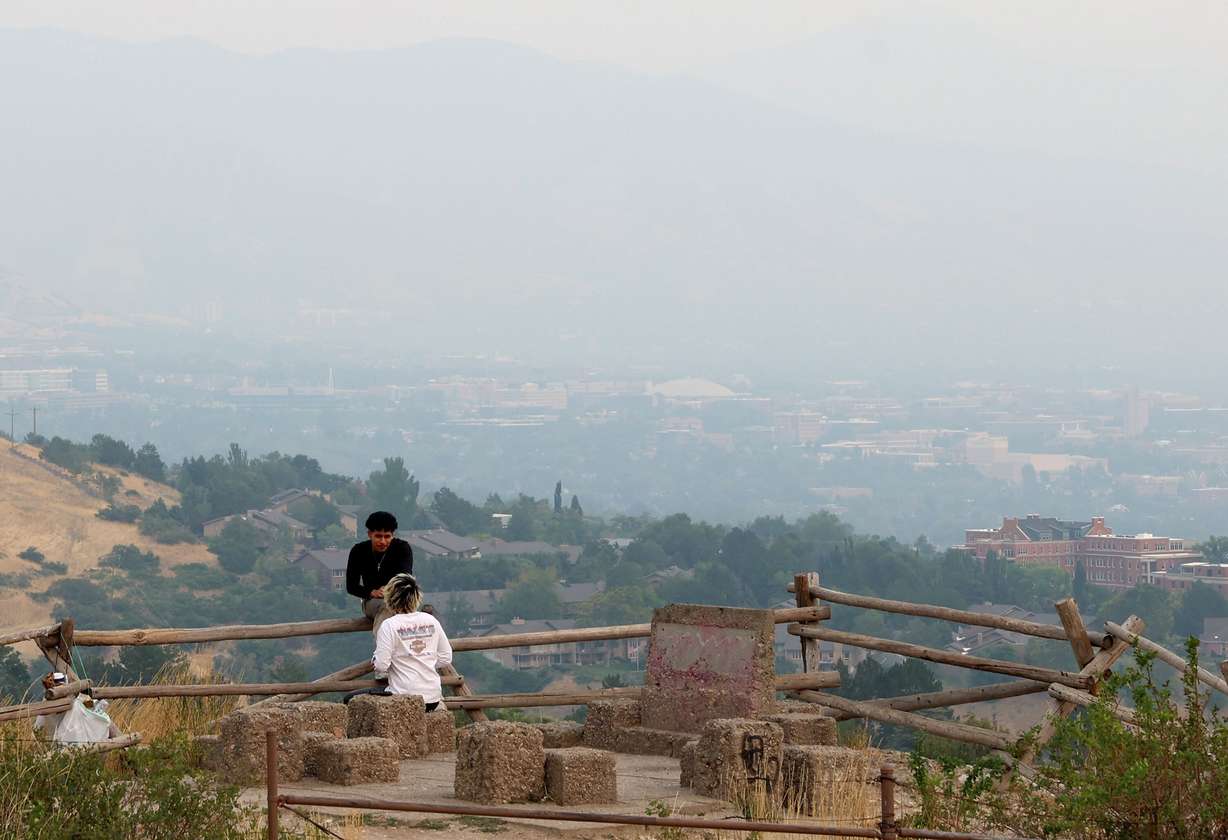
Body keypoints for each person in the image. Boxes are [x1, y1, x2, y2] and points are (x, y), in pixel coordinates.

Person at [350, 573, 452, 710]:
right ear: (416, 597)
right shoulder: (431, 620)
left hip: (403, 697)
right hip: (432, 698)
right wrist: (423, 660)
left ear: (390, 598)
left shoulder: (389, 625)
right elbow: (446, 657)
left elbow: (381, 665)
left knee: (350, 699)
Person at [346, 511, 414, 634]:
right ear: (370, 534)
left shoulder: (402, 548)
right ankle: (383, 649)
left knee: (399, 609)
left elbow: (405, 578)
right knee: (387, 606)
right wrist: (372, 592)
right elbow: (351, 586)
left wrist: (389, 589)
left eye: (387, 536)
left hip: (400, 598)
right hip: (372, 601)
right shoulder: (358, 551)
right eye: (378, 536)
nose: (383, 541)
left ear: (392, 535)